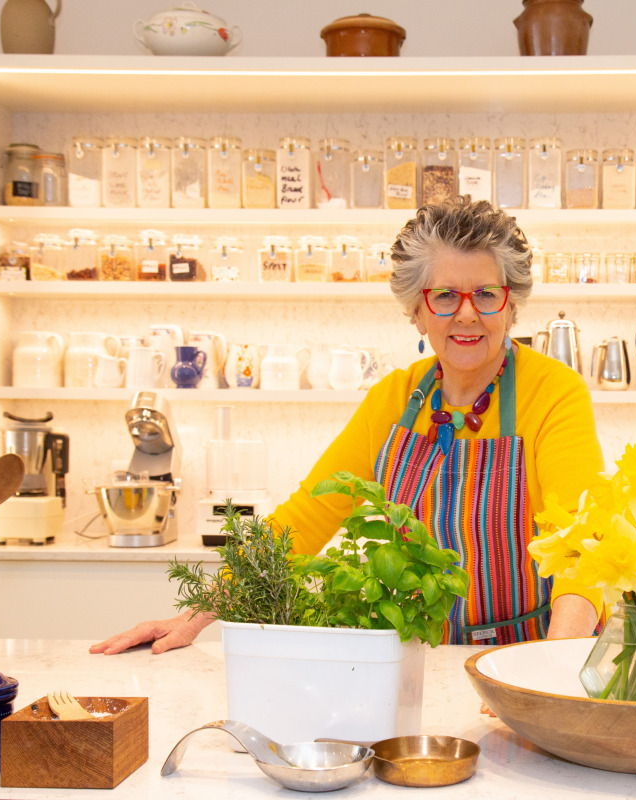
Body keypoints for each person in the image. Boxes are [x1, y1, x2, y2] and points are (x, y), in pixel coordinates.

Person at [91, 196, 604, 655]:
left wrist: (548, 671)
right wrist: (196, 614)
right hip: (421, 656)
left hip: (530, 655)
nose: (467, 314)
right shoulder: (394, 400)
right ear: (417, 312)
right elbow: (306, 518)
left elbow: (581, 545)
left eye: (486, 295)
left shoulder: (553, 393)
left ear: (511, 307)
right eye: (445, 296)